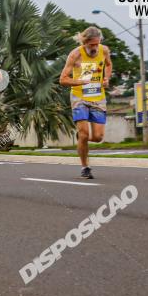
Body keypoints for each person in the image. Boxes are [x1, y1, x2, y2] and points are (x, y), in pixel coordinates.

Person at [59, 26, 113, 180]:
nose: (95, 48)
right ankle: (85, 167)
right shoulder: (75, 54)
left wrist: (106, 78)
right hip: (79, 98)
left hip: (98, 97)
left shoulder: (104, 51)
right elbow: (63, 79)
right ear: (85, 42)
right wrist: (80, 82)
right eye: (92, 45)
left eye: (97, 44)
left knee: (98, 137)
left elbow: (108, 65)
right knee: (84, 133)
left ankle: (81, 139)